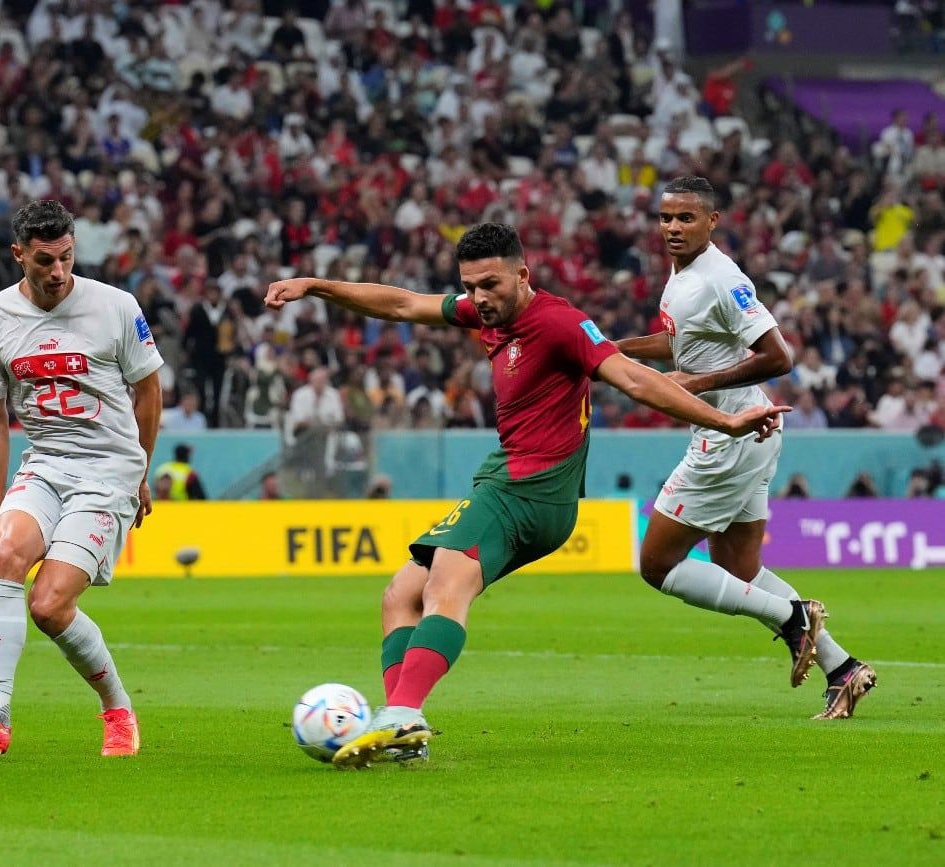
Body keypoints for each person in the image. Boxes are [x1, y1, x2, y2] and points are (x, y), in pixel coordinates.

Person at [265, 223, 789, 767]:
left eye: (489, 284)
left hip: (531, 489)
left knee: (447, 583)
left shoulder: (562, 323)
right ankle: (400, 729)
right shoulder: (485, 313)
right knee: (401, 596)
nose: (478, 299)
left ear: (523, 274)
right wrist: (316, 285)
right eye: (469, 286)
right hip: (507, 480)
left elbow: (633, 380)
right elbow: (400, 303)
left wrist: (724, 422)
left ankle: (402, 717)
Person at [616, 177, 874, 722]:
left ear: (713, 221)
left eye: (686, 218)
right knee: (740, 567)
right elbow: (677, 342)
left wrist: (700, 386)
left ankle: (793, 618)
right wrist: (613, 352)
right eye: (665, 218)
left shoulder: (722, 278)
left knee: (658, 564)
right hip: (749, 432)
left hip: (730, 433)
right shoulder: (683, 273)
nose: (672, 228)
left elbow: (779, 356)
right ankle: (843, 669)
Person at [0, 200, 163, 757]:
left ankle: (118, 709)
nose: (58, 272)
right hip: (45, 462)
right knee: (7, 553)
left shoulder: (116, 307)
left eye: (67, 258)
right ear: (18, 255)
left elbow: (148, 391)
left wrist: (142, 469)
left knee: (49, 606)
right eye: (45, 261)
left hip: (108, 472)